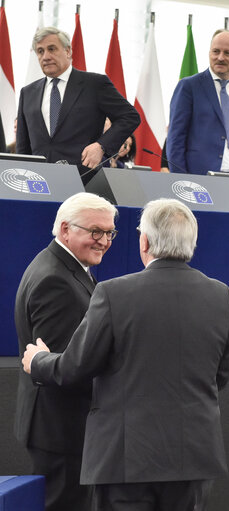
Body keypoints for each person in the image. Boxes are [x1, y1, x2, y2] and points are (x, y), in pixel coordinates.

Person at [22, 198, 229, 511]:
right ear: (191, 242)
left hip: (126, 460)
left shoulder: (114, 293)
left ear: (145, 241)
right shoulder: (220, 294)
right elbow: (222, 371)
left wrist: (39, 361)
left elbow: (76, 366)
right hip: (193, 457)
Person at [15, 192, 118, 511]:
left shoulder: (64, 266)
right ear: (64, 230)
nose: (104, 241)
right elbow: (64, 369)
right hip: (62, 432)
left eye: (110, 232)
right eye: (95, 231)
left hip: (60, 428)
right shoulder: (55, 280)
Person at [16, 27, 140, 184]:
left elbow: (130, 116)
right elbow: (23, 146)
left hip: (83, 181)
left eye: (52, 49)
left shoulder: (95, 84)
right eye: (40, 51)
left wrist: (101, 146)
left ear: (68, 51)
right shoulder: (27, 93)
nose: (46, 56)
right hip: (38, 182)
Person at [166, 29, 229, 178]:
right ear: (209, 53)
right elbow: (175, 140)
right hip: (198, 179)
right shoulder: (189, 87)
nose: (220, 57)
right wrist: (181, 180)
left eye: (227, 53)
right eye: (216, 51)